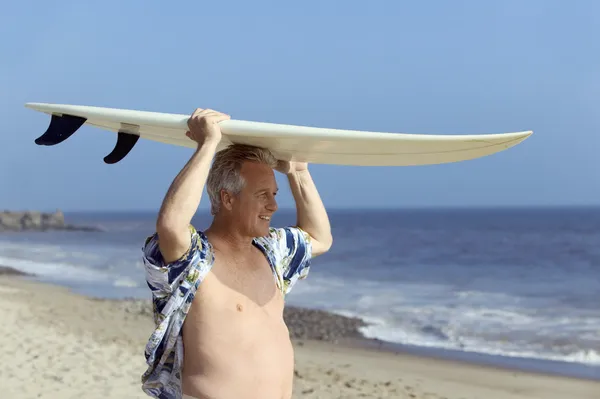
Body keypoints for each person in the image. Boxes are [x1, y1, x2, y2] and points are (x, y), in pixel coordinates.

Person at [140, 108, 333, 399]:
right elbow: (171, 224)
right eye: (262, 195)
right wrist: (207, 145)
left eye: (274, 194)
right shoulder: (195, 260)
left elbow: (320, 238)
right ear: (228, 199)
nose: (274, 206)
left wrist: (299, 172)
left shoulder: (272, 253)